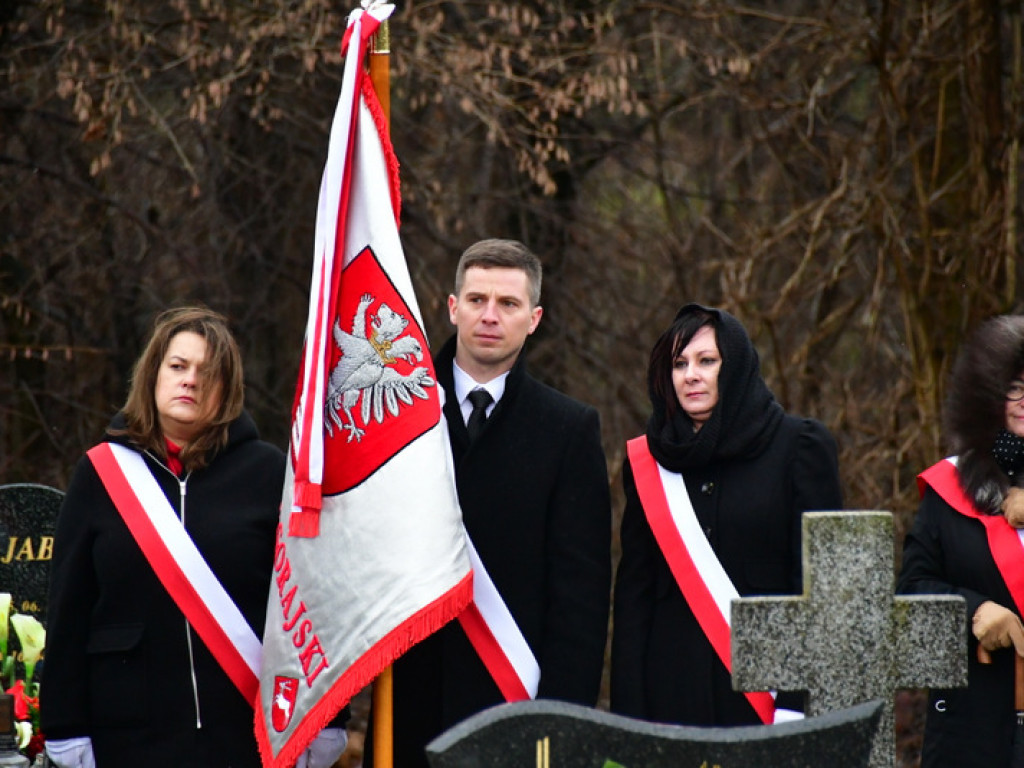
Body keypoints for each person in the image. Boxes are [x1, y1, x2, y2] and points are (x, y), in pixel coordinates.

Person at [41, 306, 347, 768]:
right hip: (127, 735)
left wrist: (328, 716)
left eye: (207, 372)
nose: (190, 381)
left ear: (227, 389)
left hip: (246, 736)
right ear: (153, 375)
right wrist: (64, 724)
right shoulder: (99, 474)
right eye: (178, 366)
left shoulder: (268, 472)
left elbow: (311, 602)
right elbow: (69, 608)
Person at [367, 238, 612, 768]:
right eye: (477, 300)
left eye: (508, 303)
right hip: (406, 704)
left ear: (535, 319)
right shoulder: (392, 411)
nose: (490, 316)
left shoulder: (568, 430)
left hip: (515, 709)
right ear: (452, 308)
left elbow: (580, 600)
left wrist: (560, 726)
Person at [610, 303, 842, 726]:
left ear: (734, 365)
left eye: (707, 361)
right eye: (679, 364)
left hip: (766, 703)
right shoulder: (649, 462)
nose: (690, 375)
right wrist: (628, 718)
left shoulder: (799, 447)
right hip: (670, 701)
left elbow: (820, 589)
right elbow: (634, 599)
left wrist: (797, 704)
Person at [898, 315, 1024, 768]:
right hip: (974, 725)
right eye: (1014, 387)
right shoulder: (950, 486)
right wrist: (973, 609)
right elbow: (912, 589)